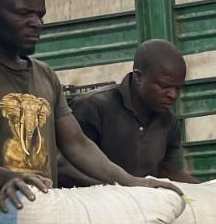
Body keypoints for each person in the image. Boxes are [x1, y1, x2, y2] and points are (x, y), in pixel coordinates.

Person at [0, 0, 176, 212]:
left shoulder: (44, 74)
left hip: (40, 214)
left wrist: (130, 182)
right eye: (23, 13)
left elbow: (77, 144)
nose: (36, 23)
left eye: (40, 15)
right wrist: (3, 177)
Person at [61, 39, 195, 185]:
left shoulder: (169, 122)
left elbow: (164, 171)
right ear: (138, 77)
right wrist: (122, 187)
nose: (173, 95)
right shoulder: (92, 108)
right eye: (164, 86)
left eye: (178, 88)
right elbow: (67, 167)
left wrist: (203, 189)